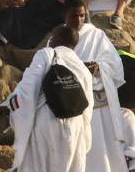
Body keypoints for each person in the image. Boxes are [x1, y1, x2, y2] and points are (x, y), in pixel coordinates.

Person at [10, 26, 94, 172]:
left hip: (48, 122)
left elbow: (28, 90)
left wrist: (11, 106)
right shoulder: (83, 68)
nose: (50, 40)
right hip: (75, 126)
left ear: (58, 39)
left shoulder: (47, 54)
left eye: (52, 37)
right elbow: (88, 107)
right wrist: (85, 135)